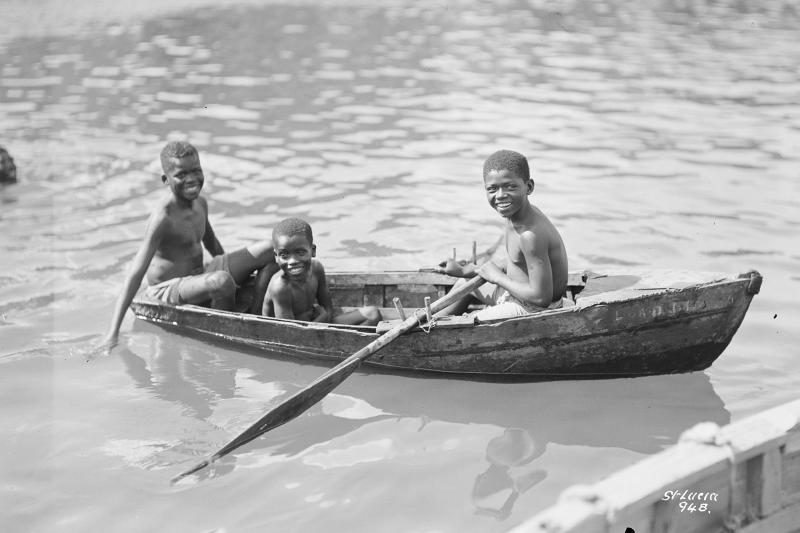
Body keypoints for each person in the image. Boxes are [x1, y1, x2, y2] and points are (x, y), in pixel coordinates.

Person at [102, 140, 278, 349]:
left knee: (271, 249)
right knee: (221, 282)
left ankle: (258, 314)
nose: (192, 179)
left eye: (196, 171)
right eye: (181, 175)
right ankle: (227, 333)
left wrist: (238, 275)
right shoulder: (163, 218)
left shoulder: (200, 203)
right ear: (165, 180)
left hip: (200, 274)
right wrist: (112, 334)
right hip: (168, 289)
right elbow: (135, 273)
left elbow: (213, 246)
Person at [436, 149, 568, 321]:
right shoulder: (514, 214)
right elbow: (517, 262)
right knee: (464, 285)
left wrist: (497, 277)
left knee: (472, 321)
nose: (500, 196)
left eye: (510, 186)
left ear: (529, 187)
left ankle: (432, 332)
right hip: (517, 294)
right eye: (492, 189)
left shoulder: (530, 235)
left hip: (534, 309)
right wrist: (467, 269)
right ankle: (428, 326)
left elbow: (541, 298)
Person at [262, 217, 381, 326]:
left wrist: (324, 318)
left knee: (373, 313)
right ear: (276, 256)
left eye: (300, 252)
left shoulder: (317, 269)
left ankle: (348, 345)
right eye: (284, 255)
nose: (292, 261)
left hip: (315, 325)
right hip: (292, 335)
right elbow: (289, 334)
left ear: (312, 250)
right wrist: (322, 318)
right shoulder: (280, 287)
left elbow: (328, 308)